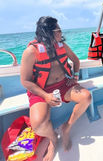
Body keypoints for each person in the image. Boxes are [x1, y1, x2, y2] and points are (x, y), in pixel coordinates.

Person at [20, 16, 91, 161]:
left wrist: (75, 77)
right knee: (38, 126)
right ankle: (53, 139)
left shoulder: (62, 46)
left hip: (64, 85)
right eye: (58, 30)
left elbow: (76, 61)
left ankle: (67, 128)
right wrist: (45, 96)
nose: (61, 33)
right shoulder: (30, 52)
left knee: (86, 97)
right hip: (41, 90)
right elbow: (26, 81)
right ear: (48, 33)